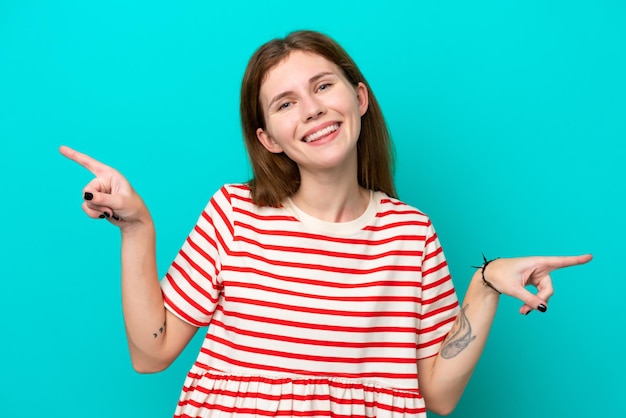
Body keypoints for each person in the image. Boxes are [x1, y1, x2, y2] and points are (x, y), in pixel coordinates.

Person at [60, 30, 592, 417]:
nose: (311, 110)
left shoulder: (410, 234)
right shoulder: (233, 214)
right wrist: (137, 228)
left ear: (358, 99)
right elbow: (151, 354)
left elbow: (439, 395)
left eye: (323, 87)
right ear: (268, 137)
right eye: (285, 103)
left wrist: (486, 281)